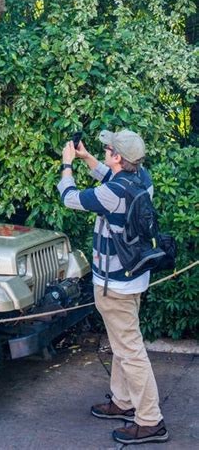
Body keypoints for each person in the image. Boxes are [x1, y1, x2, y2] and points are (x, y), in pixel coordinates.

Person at [57, 129, 169, 445]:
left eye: (107, 148)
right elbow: (110, 176)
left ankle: (150, 420)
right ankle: (123, 401)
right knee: (123, 343)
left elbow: (69, 197)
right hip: (134, 277)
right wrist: (86, 157)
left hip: (114, 285)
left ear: (119, 157)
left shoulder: (111, 194)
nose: (105, 150)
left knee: (130, 350)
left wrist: (67, 164)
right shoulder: (142, 180)